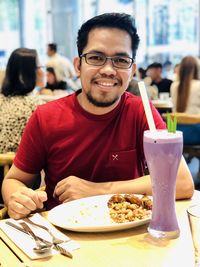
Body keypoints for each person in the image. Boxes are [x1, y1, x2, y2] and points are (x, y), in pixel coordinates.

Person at [2, 13, 194, 219]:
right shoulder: (46, 117)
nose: (109, 70)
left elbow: (182, 182)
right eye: (96, 58)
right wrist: (17, 198)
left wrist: (97, 190)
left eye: (121, 60)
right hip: (63, 238)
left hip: (130, 234)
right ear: (78, 65)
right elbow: (13, 180)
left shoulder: (140, 112)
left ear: (132, 70)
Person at [0, 48, 45, 204]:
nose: (43, 71)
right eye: (40, 67)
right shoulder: (37, 107)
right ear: (27, 72)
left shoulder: (1, 100)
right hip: (19, 183)